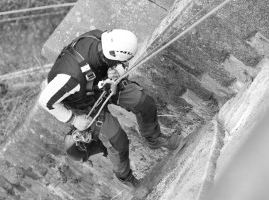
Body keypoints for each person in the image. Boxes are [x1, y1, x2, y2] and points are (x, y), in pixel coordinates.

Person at [38, 29, 182, 190]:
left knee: (142, 101)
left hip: (104, 84)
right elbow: (45, 101)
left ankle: (155, 139)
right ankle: (126, 178)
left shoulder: (100, 37)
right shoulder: (69, 79)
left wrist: (116, 72)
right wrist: (74, 119)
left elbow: (120, 63)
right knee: (117, 140)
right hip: (83, 104)